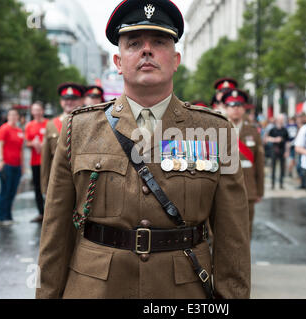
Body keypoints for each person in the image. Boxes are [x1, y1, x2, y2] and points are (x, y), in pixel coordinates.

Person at [36, 0, 250, 299]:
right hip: (95, 289)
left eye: (159, 42)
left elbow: (233, 238)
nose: (146, 50)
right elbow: (55, 231)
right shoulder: (79, 128)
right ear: (118, 62)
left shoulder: (216, 131)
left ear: (176, 59)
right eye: (134, 43)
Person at [223, 88, 264, 238]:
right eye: (232, 106)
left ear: (243, 109)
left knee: (246, 230)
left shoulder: (253, 132)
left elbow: (259, 163)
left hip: (248, 188)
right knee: (224, 230)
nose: (236, 110)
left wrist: (259, 191)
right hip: (223, 187)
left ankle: (244, 261)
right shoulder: (218, 129)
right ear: (226, 109)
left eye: (239, 106)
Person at [40, 83, 84, 195]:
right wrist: (45, 187)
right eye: (65, 99)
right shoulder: (51, 125)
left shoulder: (87, 122)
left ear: (80, 101)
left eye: (73, 99)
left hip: (81, 179)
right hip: (57, 179)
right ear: (61, 102)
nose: (69, 102)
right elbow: (45, 158)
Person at [0, 109, 24, 226]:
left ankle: (8, 216)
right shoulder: (4, 129)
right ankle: (2, 217)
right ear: (7, 116)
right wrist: (0, 160)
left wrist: (22, 165)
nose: (13, 117)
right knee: (5, 191)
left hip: (17, 166)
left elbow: (21, 149)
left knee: (12, 192)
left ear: (18, 117)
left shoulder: (19, 131)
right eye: (11, 115)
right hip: (6, 165)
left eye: (15, 115)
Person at [25, 102, 49, 223]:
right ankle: (41, 213)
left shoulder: (48, 123)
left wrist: (44, 145)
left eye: (39, 109)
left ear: (42, 111)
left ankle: (50, 212)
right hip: (35, 162)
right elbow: (26, 142)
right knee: (37, 187)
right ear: (32, 112)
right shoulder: (29, 125)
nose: (37, 112)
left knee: (49, 186)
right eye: (34, 110)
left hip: (48, 161)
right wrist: (33, 144)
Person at [266, 114, 289, 189]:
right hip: (274, 149)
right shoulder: (273, 129)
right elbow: (267, 138)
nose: (281, 121)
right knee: (273, 167)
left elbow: (287, 142)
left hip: (282, 150)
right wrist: (275, 139)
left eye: (282, 120)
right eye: (279, 119)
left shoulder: (285, 130)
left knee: (282, 168)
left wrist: (287, 151)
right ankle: (272, 184)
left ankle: (281, 184)